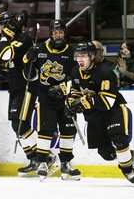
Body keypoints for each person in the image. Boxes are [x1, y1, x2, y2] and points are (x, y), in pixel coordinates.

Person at [64, 41, 134, 185]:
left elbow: (107, 102)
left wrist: (83, 103)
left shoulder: (104, 73)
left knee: (119, 139)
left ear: (92, 56)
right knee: (106, 153)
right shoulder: (75, 71)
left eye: (84, 56)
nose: (80, 59)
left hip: (113, 110)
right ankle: (131, 156)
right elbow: (74, 90)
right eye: (78, 55)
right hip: (94, 115)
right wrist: (70, 103)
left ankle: (127, 169)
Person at [0, 10, 57, 176]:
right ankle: (34, 159)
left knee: (20, 124)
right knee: (17, 124)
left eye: (2, 25)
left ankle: (46, 156)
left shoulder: (22, 38)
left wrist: (4, 37)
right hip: (16, 86)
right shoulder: (14, 39)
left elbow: (5, 53)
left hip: (27, 87)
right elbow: (5, 62)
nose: (0, 29)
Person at [23, 19, 81, 181]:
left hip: (66, 99)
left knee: (68, 131)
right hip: (45, 99)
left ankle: (66, 164)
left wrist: (62, 88)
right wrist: (28, 60)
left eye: (61, 32)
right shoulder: (40, 49)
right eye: (55, 32)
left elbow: (76, 77)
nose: (58, 35)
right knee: (45, 130)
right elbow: (30, 76)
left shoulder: (71, 52)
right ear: (50, 34)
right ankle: (42, 163)